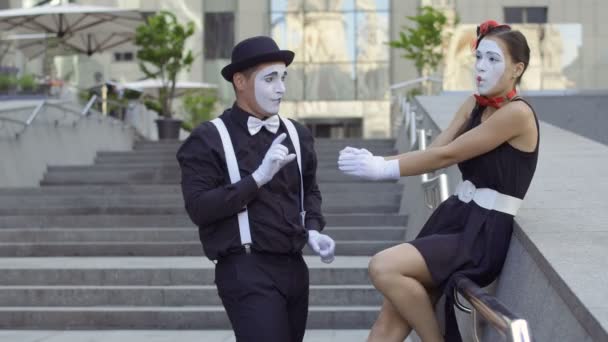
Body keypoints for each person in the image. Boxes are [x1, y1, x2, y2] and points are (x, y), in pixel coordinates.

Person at [337, 20, 538, 342]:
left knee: (384, 267)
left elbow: (447, 157)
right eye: (478, 58)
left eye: (493, 59)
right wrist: (375, 160)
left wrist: (382, 169)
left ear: (517, 69)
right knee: (389, 319)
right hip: (455, 216)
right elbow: (434, 150)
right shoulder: (474, 104)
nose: (481, 68)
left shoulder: (517, 114)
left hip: (483, 232)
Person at [176, 36, 336, 342]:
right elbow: (199, 208)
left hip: (294, 267)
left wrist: (313, 228)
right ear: (240, 81)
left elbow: (310, 190)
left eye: (283, 78)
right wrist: (257, 179)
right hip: (245, 268)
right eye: (270, 79)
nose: (281, 88)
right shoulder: (208, 138)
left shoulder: (297, 134)